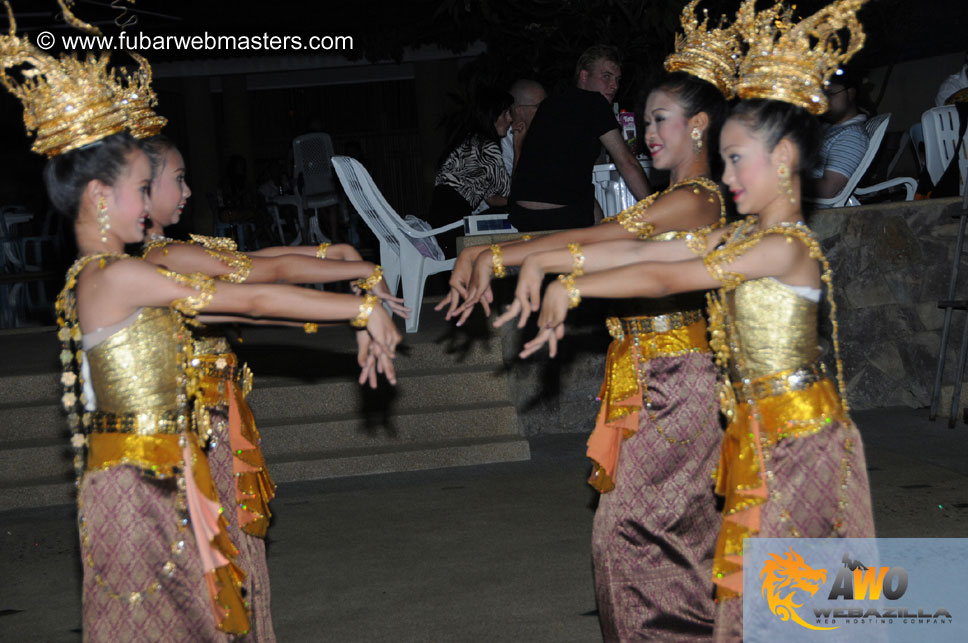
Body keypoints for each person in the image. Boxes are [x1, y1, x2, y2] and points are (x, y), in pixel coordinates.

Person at [1, 22, 401, 639]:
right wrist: (355, 307)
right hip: (137, 479)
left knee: (193, 616)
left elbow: (253, 287)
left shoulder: (119, 271)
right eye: (146, 188)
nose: (161, 200)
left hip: (162, 466)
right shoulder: (114, 276)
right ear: (101, 197)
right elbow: (251, 298)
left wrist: (346, 270)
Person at [507, 1, 876, 638]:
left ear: (784, 158)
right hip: (753, 436)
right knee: (738, 597)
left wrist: (569, 279)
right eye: (725, 159)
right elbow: (650, 258)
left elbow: (661, 273)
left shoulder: (785, 246)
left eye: (738, 160)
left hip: (801, 442)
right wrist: (564, 271)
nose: (725, 176)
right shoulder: (739, 240)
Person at [438, 4, 739, 637]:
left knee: (629, 536)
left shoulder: (696, 198)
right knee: (658, 539)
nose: (647, 133)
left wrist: (503, 256)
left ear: (700, 126)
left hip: (681, 385)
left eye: (660, 121)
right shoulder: (671, 198)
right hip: (654, 380)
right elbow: (597, 237)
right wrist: (491, 254)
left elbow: (605, 244)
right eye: (646, 120)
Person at [139, 134, 411, 640]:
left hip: (220, 422)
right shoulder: (162, 259)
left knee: (236, 552)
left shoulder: (182, 250)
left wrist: (343, 252)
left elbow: (269, 255)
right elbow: (266, 279)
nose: (189, 191)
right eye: (176, 180)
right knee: (218, 558)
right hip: (197, 436)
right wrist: (359, 277)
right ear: (140, 187)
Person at [508, 45, 651, 232]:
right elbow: (626, 162)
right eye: (606, 76)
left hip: (522, 214)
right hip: (561, 214)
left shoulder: (549, 104)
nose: (614, 85)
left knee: (589, 202)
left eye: (617, 79)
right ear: (584, 76)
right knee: (600, 222)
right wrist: (656, 208)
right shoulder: (595, 103)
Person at [428, 86, 514, 256]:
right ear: (492, 116)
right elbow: (509, 193)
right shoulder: (487, 146)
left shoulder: (470, 141)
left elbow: (493, 199)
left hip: (441, 223)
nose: (510, 119)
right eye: (505, 113)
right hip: (453, 228)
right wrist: (518, 143)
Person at [813, 67, 869, 200]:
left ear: (850, 94)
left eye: (830, 94)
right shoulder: (830, 128)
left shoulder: (852, 135)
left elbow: (828, 190)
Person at [501, 79, 547, 176]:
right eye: (540, 106)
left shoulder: (541, 130)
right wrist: (518, 149)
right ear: (520, 111)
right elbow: (512, 188)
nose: (546, 110)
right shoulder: (503, 140)